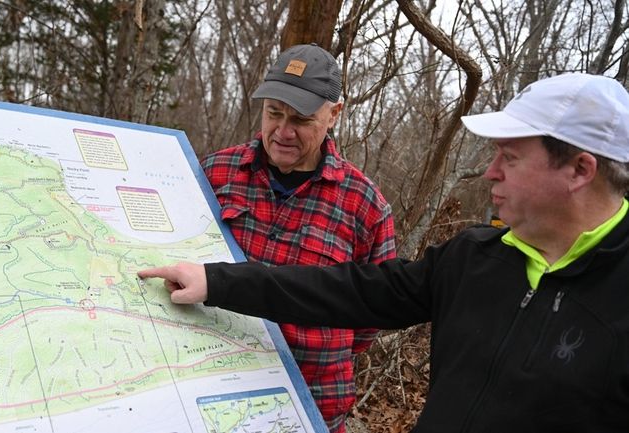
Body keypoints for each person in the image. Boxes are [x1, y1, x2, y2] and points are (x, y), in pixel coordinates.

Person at [140, 72, 629, 432]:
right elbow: (351, 290)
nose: (490, 172)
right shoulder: (475, 258)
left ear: (579, 171)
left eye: (511, 157)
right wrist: (219, 280)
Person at [198, 43, 396, 433]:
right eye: (274, 113)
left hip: (312, 407)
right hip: (213, 396)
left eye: (301, 120)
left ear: (333, 115)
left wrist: (313, 345)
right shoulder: (215, 174)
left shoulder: (364, 205)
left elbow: (372, 316)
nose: (283, 132)